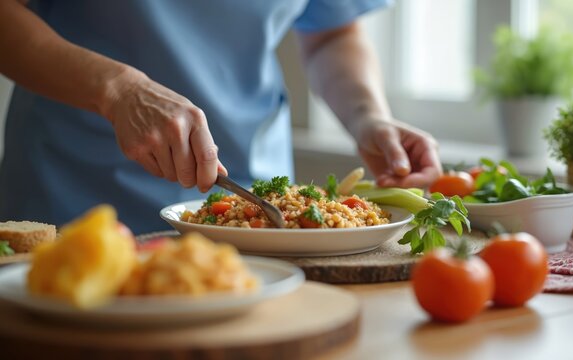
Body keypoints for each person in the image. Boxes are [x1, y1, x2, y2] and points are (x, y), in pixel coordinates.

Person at [0, 0, 442, 234]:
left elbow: (333, 30)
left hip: (259, 207)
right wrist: (118, 90)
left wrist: (367, 116)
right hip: (76, 194)